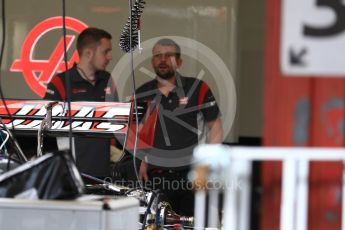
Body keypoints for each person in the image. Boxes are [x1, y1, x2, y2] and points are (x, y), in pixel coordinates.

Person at [135, 38, 223, 216]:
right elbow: (137, 133)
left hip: (191, 175)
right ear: (152, 61)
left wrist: (206, 167)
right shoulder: (142, 92)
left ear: (180, 62)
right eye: (158, 56)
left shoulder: (197, 88)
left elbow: (216, 128)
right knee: (156, 225)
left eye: (169, 56)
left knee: (191, 225)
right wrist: (142, 162)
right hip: (156, 177)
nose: (163, 60)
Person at [44, 27, 118, 181]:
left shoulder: (108, 80)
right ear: (89, 53)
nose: (110, 57)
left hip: (104, 172)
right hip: (70, 173)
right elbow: (46, 126)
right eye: (106, 51)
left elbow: (116, 122)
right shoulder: (60, 82)